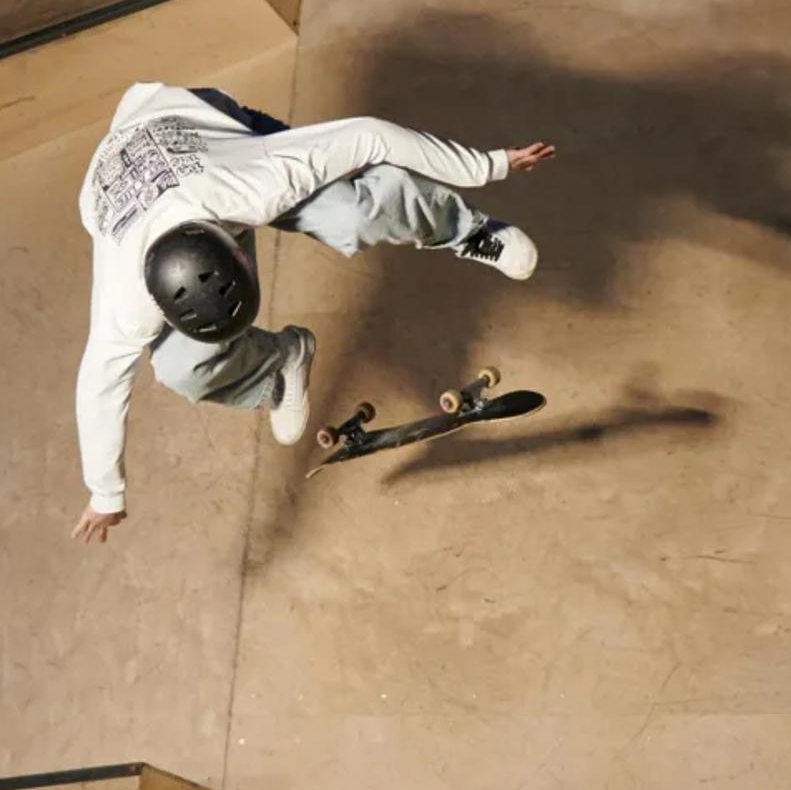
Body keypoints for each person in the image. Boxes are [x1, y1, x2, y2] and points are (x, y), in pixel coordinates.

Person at [68, 81, 556, 544]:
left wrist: (488, 165)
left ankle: (464, 231)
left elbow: (369, 134)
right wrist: (105, 493)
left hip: (213, 130)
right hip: (132, 184)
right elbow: (99, 387)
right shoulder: (125, 298)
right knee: (181, 368)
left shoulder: (260, 184)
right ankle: (280, 364)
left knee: (350, 215)